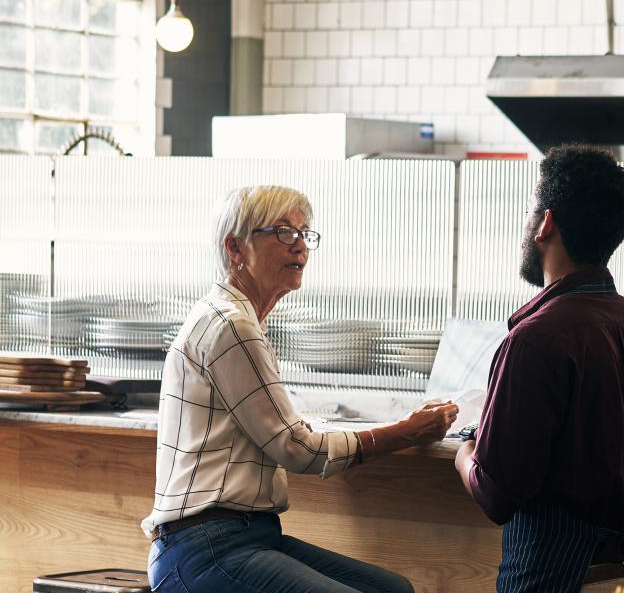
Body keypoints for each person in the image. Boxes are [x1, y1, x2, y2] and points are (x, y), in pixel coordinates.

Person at [142, 185, 458, 593]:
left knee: (392, 588)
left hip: (246, 536)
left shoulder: (239, 319)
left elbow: (277, 430)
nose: (299, 247)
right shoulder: (231, 325)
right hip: (205, 549)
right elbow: (299, 449)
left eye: (304, 233)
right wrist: (407, 430)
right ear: (235, 247)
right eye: (282, 232)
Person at [455, 145, 624, 593]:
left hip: (554, 574)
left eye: (529, 211)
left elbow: (495, 493)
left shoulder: (535, 339)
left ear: (545, 223)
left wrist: (465, 453)